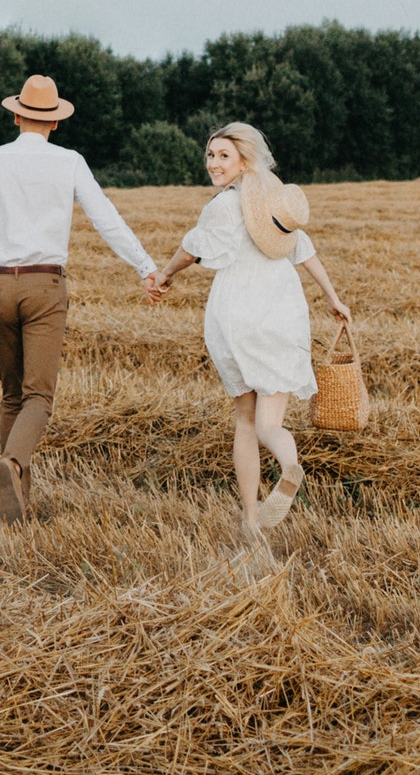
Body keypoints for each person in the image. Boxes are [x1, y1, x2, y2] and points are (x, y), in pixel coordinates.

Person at [0, 74, 161, 524]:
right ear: (55, 123)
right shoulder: (69, 162)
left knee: (11, 396)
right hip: (45, 287)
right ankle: (13, 465)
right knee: (40, 396)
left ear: (16, 115)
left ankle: (17, 506)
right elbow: (107, 221)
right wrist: (146, 267)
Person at [152, 122, 351, 542]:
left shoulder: (224, 206)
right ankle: (287, 459)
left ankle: (249, 517)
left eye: (223, 155)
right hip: (281, 311)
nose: (213, 163)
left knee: (244, 420)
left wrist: (165, 273)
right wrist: (333, 297)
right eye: (210, 155)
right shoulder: (272, 201)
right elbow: (304, 250)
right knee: (268, 424)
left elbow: (193, 249)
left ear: (244, 160)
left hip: (236, 315)